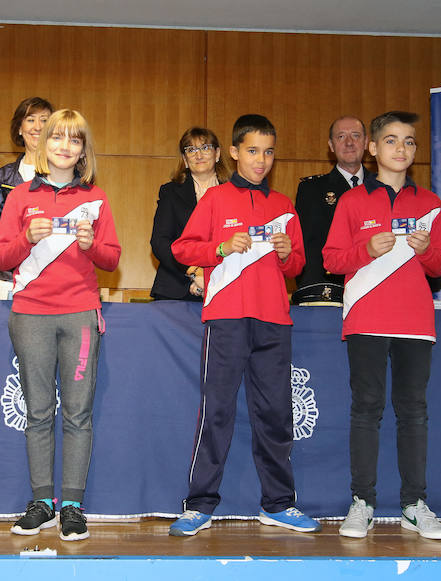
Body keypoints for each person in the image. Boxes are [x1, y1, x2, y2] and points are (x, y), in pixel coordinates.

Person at [168, 114, 319, 537]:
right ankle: (199, 505)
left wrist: (288, 253)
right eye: (253, 151)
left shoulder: (284, 205)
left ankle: (278, 504)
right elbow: (182, 248)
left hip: (274, 319)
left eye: (269, 152)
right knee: (216, 412)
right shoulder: (215, 199)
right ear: (233, 152)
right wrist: (219, 246)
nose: (261, 160)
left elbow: (297, 265)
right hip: (226, 316)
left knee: (275, 414)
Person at [323, 111, 441, 540]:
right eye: (393, 141)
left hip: (416, 321)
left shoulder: (430, 203)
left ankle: (414, 504)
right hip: (366, 317)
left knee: (413, 411)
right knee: (367, 409)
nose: (402, 149)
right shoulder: (352, 201)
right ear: (372, 149)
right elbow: (331, 260)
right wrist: (366, 248)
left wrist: (426, 249)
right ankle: (362, 501)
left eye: (410, 141)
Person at [0, 109, 120, 541]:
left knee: (79, 414)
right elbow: (1, 257)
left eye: (75, 140)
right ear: (43, 144)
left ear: (84, 150)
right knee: (39, 412)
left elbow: (112, 259)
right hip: (30, 314)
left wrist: (92, 244)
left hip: (80, 313)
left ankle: (72, 506)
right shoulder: (19, 196)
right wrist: (26, 238)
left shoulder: (96, 197)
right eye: (57, 138)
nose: (65, 146)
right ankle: (42, 502)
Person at [0, 97, 54, 299]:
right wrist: (5, 235)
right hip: (8, 279)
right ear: (20, 129)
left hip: (55, 278)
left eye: (45, 120)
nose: (37, 127)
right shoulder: (4, 177)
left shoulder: (67, 176)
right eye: (30, 120)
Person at [293, 116, 369, 304]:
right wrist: (311, 289)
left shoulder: (383, 187)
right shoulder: (312, 189)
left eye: (356, 135)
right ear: (331, 145)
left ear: (367, 142)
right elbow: (304, 243)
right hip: (329, 291)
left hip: (374, 286)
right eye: (341, 137)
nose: (349, 142)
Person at [150, 127, 230, 301]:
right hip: (175, 290)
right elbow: (160, 242)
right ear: (185, 159)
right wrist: (194, 272)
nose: (198, 155)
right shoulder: (170, 192)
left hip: (226, 287)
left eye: (205, 148)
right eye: (191, 150)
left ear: (217, 154)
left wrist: (209, 276)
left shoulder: (235, 194)